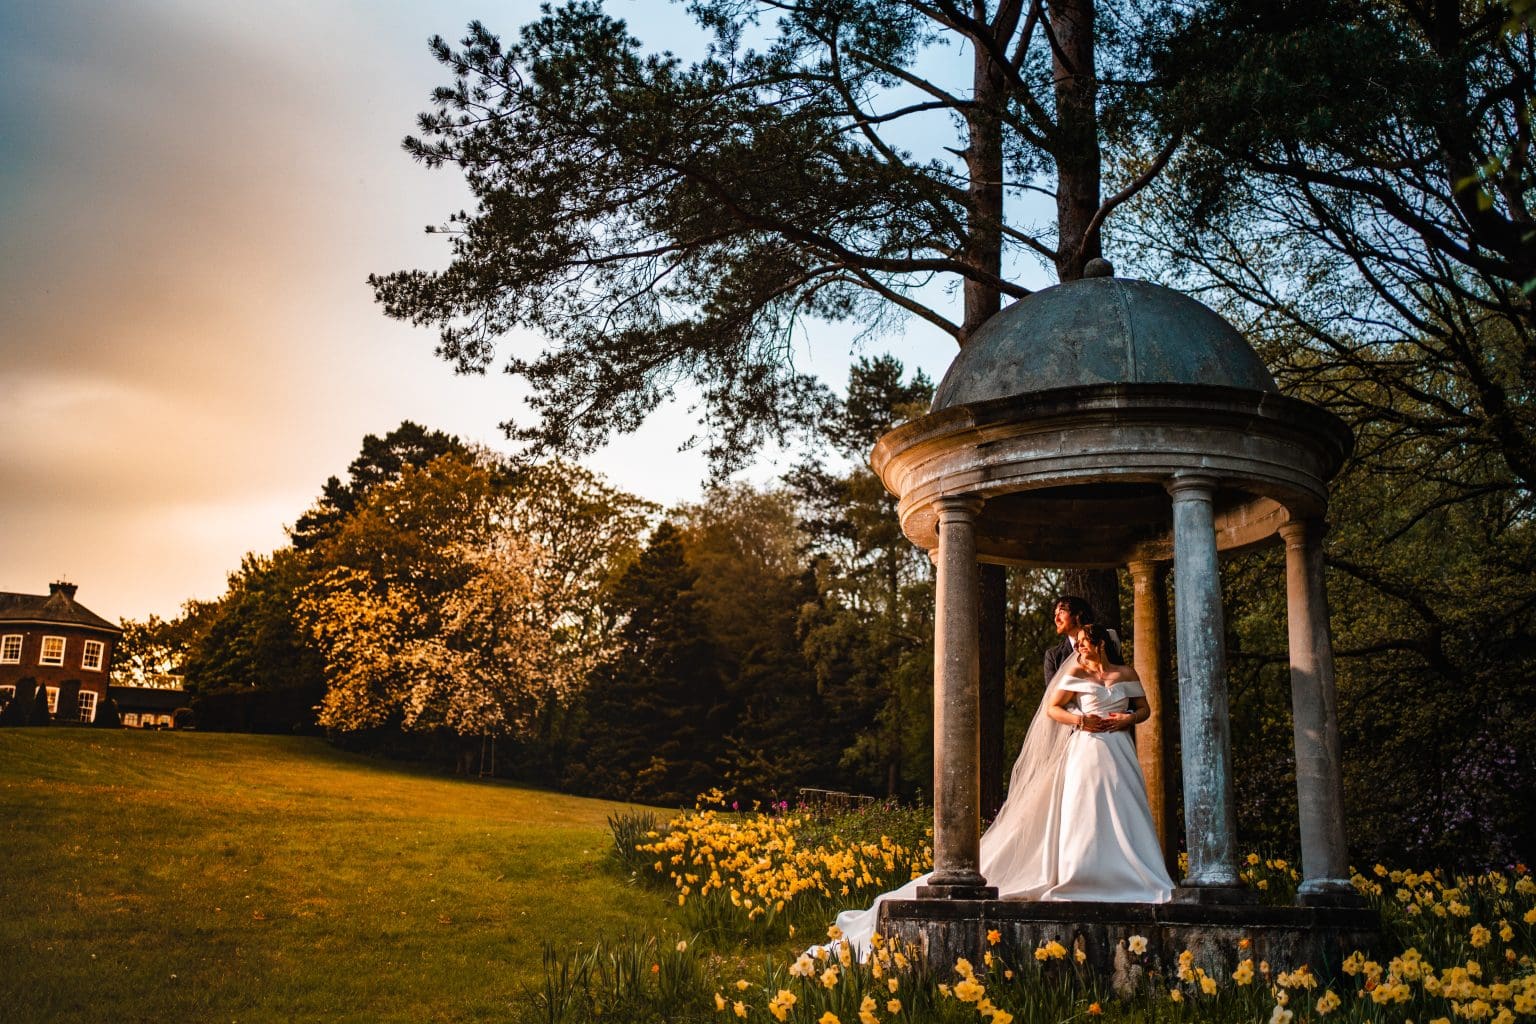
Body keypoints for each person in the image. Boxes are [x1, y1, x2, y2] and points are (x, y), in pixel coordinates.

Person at [828, 626, 1171, 957]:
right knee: (1086, 808)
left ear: (1099, 644)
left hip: (1119, 748)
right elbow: (1053, 708)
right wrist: (1081, 721)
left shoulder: (1125, 673)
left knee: (1126, 806)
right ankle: (1081, 873)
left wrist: (1125, 720)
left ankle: (1134, 870)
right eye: (1078, 642)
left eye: (1084, 642)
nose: (1079, 647)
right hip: (1087, 746)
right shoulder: (1075, 674)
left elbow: (1144, 709)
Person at [1042, 596, 1122, 685]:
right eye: (1055, 614)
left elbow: (1120, 675)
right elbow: (1051, 694)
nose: (1056, 619)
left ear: (1078, 614)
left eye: (1061, 612)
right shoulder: (1053, 656)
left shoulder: (1108, 637)